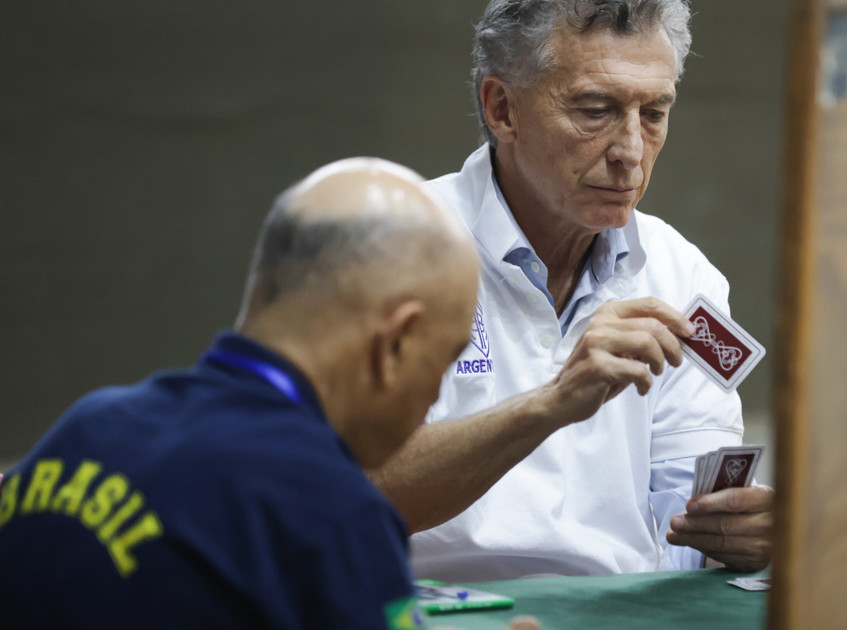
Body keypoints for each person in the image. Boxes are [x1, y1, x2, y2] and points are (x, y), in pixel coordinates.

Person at [0, 159, 537, 630]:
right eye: (446, 358)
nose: (436, 392)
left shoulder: (84, 429)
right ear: (394, 343)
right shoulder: (328, 511)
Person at [371, 0, 773, 582]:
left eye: (654, 113)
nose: (630, 150)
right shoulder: (389, 248)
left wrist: (742, 535)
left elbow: (690, 524)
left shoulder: (684, 276)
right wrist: (552, 402)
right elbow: (338, 496)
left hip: (621, 609)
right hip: (433, 606)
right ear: (502, 108)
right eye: (595, 110)